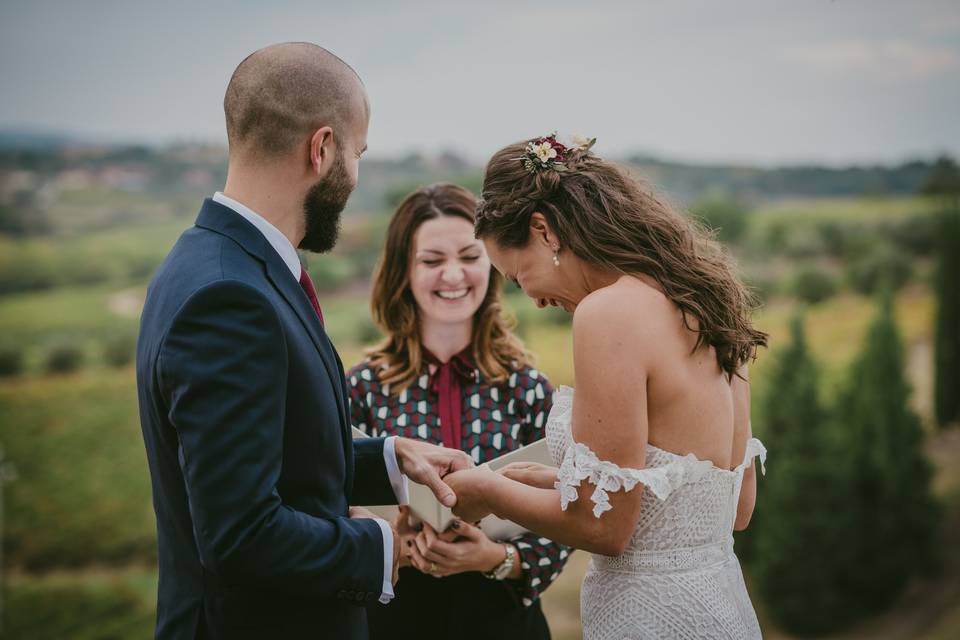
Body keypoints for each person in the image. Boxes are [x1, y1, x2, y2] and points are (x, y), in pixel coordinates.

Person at [136, 43, 470, 640]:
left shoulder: (214, 262)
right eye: (358, 153)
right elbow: (240, 533)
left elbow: (279, 447)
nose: (356, 172)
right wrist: (377, 546)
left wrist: (391, 461)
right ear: (322, 149)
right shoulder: (229, 299)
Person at [443, 134, 769, 639]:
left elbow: (606, 529)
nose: (529, 297)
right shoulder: (707, 301)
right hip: (718, 606)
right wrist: (555, 482)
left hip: (651, 617)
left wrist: (487, 491)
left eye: (516, 274)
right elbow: (733, 505)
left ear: (544, 231)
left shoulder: (608, 313)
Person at [347, 183, 570, 640]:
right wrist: (400, 545)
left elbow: (569, 512)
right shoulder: (360, 389)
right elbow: (326, 500)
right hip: (393, 619)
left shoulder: (527, 389)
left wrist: (496, 558)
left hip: (504, 621)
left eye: (469, 257)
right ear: (402, 272)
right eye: (432, 261)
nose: (453, 275)